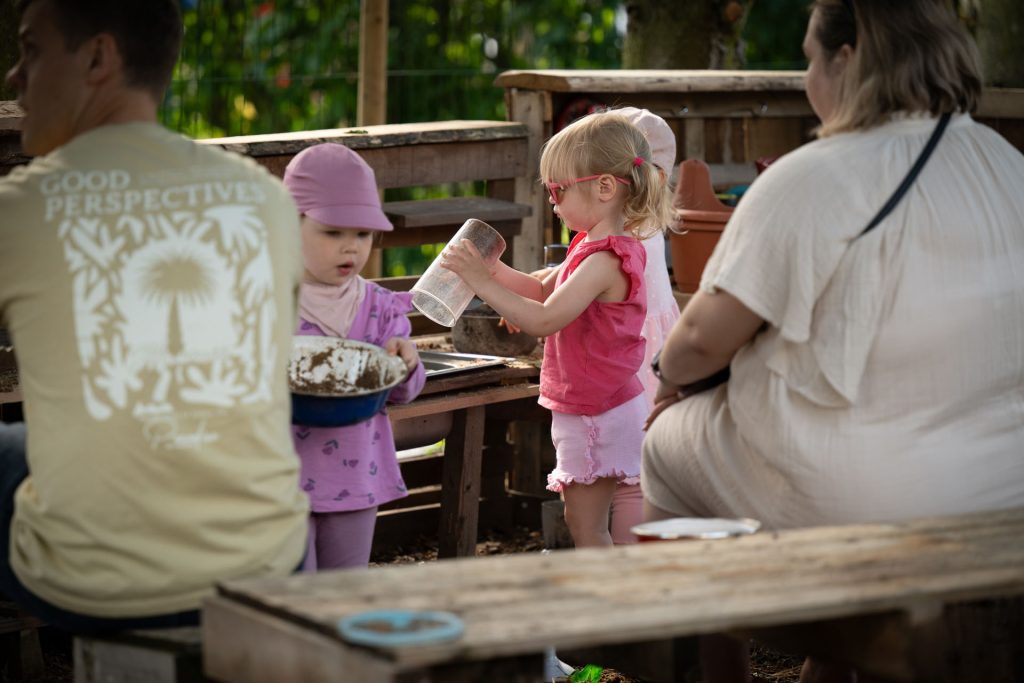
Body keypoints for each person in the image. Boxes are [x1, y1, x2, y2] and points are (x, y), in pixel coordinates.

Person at [641, 0, 1024, 680]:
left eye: (811, 56)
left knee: (666, 445)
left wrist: (666, 373)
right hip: (1003, 488)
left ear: (849, 59)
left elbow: (700, 340)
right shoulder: (1007, 165)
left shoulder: (816, 174)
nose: (805, 73)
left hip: (866, 498)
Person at [0, 0, 309, 633]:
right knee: (30, 446)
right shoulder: (265, 197)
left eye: (30, 50)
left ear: (97, 58)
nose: (13, 75)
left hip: (96, 584)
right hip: (269, 559)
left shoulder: (20, 210)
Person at [442, 113, 674, 548]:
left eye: (558, 190)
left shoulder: (605, 260)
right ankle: (626, 589)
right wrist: (495, 269)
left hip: (595, 411)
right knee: (603, 513)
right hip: (605, 401)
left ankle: (611, 600)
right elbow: (541, 287)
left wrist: (482, 283)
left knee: (585, 526)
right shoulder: (592, 246)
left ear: (604, 187)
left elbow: (544, 318)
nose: (552, 200)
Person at [282, 143, 425, 571]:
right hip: (280, 483)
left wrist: (407, 365)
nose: (351, 249)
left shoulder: (380, 306)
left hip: (357, 480)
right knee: (294, 597)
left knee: (346, 592)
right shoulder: (267, 302)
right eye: (333, 232)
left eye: (362, 234)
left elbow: (402, 394)